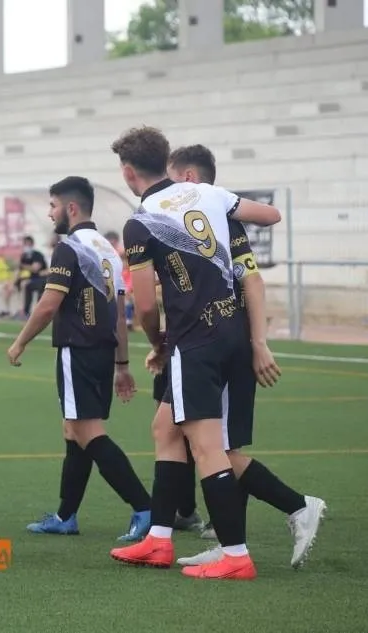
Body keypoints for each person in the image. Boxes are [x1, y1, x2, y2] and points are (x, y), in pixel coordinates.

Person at [107, 126, 282, 580]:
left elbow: (146, 306)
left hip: (195, 339)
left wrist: (157, 344)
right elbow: (271, 215)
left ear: (128, 172)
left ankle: (236, 556)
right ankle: (159, 538)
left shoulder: (141, 221)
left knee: (205, 447)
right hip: (233, 327)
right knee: (165, 428)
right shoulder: (207, 192)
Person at [161, 144, 326, 568]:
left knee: (216, 448)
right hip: (202, 343)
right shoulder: (194, 220)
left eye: (172, 178)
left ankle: (297, 506)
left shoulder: (225, 222)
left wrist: (258, 342)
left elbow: (252, 281)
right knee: (191, 436)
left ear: (189, 178)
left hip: (221, 344)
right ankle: (227, 538)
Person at [7, 176, 152, 542]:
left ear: (71, 208)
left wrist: (20, 342)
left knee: (88, 432)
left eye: (53, 205)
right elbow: (119, 314)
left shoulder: (69, 248)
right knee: (73, 431)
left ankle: (145, 508)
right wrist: (122, 365)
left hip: (79, 350)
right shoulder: (107, 250)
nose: (49, 213)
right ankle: (66, 515)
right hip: (101, 353)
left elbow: (48, 305)